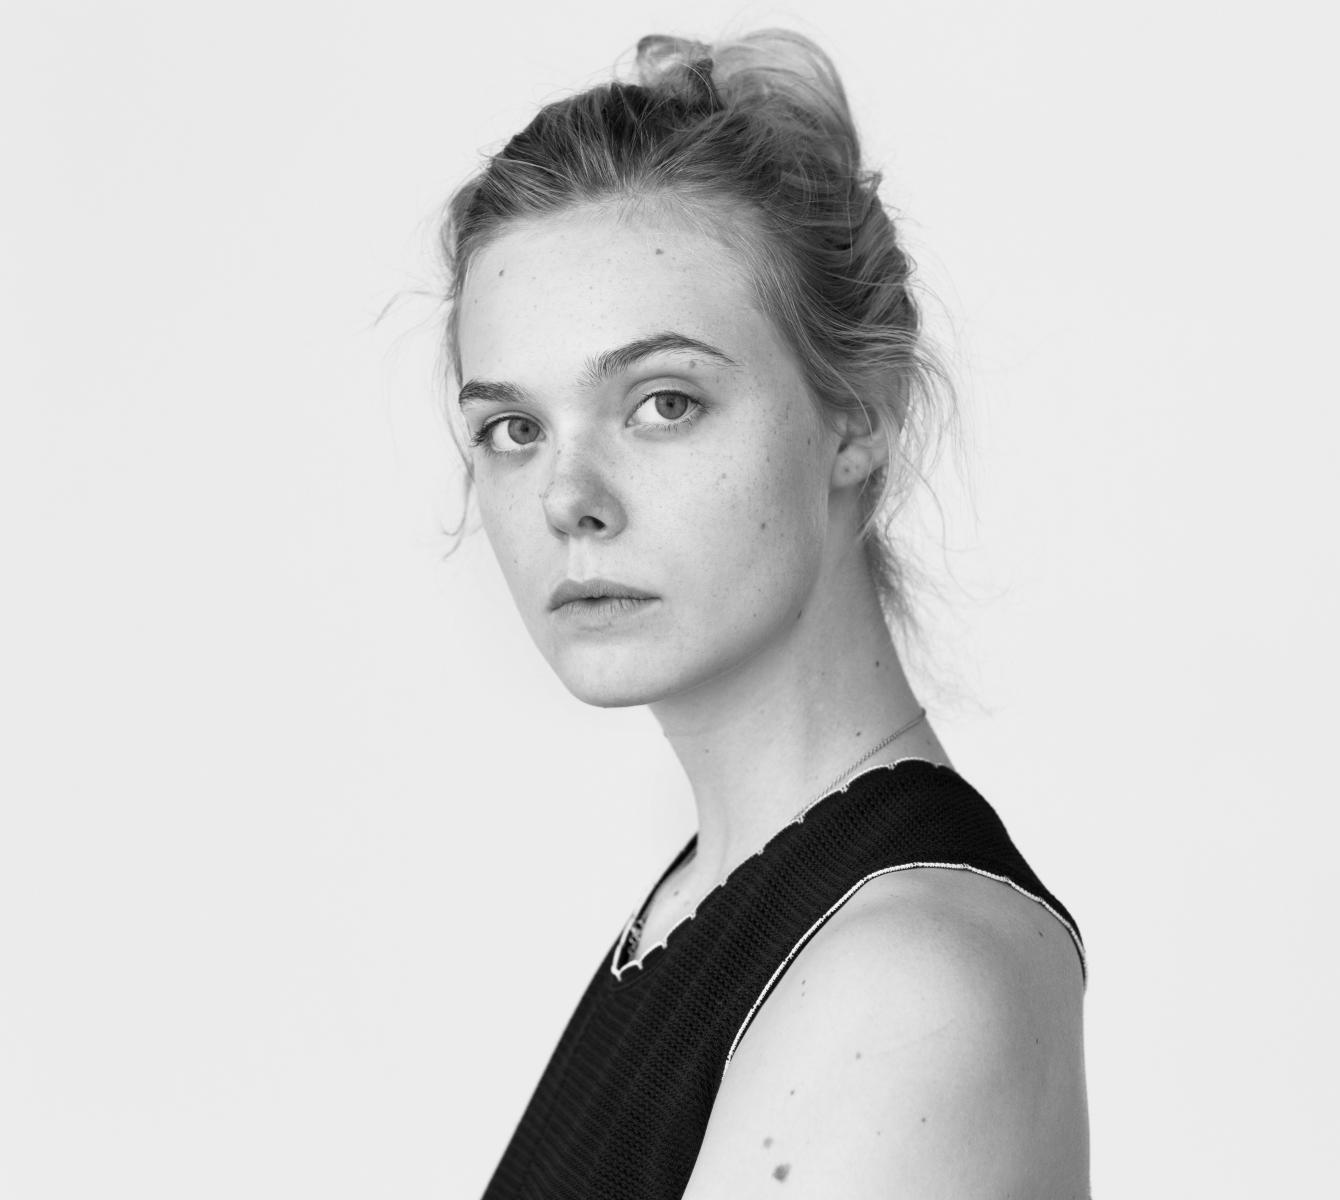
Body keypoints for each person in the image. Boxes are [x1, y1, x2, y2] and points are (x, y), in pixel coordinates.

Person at [436, 29, 1089, 1199]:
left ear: (858, 417)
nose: (566, 498)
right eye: (513, 429)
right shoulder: (703, 907)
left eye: (662, 402)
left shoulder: (898, 981)